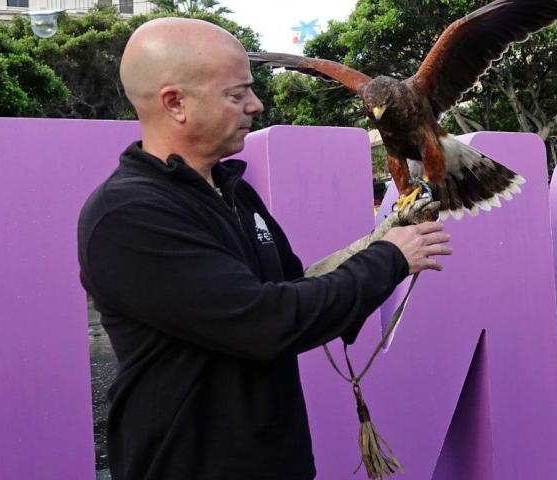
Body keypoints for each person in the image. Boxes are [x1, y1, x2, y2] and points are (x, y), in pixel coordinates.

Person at [77, 17, 451, 480]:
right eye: (236, 95)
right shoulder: (128, 215)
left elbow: (295, 288)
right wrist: (390, 258)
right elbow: (266, 321)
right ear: (175, 103)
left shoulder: (234, 190)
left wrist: (380, 238)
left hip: (280, 462)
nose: (256, 105)